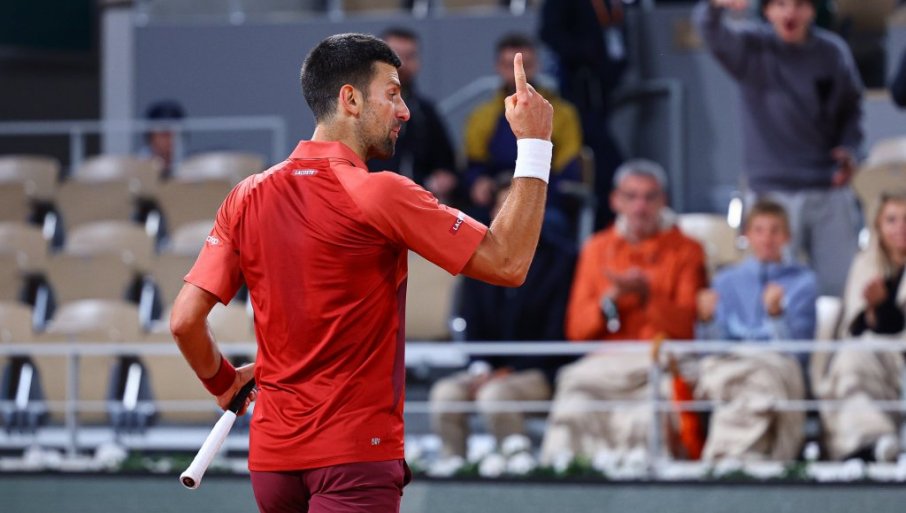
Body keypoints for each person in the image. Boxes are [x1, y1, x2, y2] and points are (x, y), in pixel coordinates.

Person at [169, 33, 554, 513]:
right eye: (392, 94)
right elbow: (508, 261)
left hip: (272, 464)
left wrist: (223, 382)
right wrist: (535, 144)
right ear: (349, 99)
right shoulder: (381, 193)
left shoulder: (246, 195)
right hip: (354, 459)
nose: (404, 111)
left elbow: (184, 321)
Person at [539, 159, 707, 463]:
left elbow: (685, 328)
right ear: (615, 200)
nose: (640, 207)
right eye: (631, 197)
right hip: (604, 367)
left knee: (648, 419)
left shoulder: (687, 250)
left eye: (649, 197)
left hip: (658, 364)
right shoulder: (595, 248)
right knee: (572, 408)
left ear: (663, 201)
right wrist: (611, 300)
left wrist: (647, 295)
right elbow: (577, 332)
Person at [694, 0, 864, 297]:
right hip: (771, 190)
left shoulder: (831, 52)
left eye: (799, 4)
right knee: (772, 289)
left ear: (813, 10)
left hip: (827, 185)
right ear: (767, 10)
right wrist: (716, 5)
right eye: (781, 4)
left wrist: (850, 149)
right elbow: (710, 30)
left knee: (840, 287)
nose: (790, 13)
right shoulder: (752, 46)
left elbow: (852, 109)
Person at [429, 178, 578, 460]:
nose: (511, 214)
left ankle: (515, 467)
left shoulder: (562, 261)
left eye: (520, 207)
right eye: (504, 206)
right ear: (493, 211)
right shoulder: (477, 257)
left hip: (539, 371)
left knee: (495, 395)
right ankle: (453, 466)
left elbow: (558, 332)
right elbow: (471, 323)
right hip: (489, 371)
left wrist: (507, 371)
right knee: (445, 394)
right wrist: (481, 368)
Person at [695, 200, 816, 461]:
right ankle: (746, 459)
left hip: (776, 364)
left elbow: (799, 354)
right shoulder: (724, 281)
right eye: (759, 230)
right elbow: (712, 348)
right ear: (747, 235)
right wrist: (706, 321)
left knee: (759, 384)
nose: (767, 239)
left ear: (787, 237)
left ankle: (729, 458)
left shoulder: (803, 282)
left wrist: (777, 316)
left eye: (775, 230)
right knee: (749, 385)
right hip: (732, 364)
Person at [812, 191, 906, 462]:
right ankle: (872, 442)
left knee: (854, 358)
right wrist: (874, 309)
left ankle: (870, 444)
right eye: (891, 220)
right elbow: (855, 327)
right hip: (870, 354)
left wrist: (883, 306)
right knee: (851, 362)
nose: (900, 227)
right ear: (878, 226)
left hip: (899, 357)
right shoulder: (864, 264)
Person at [463, 33, 583, 227]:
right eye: (509, 66)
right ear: (497, 67)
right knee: (465, 225)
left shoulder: (562, 113)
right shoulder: (481, 115)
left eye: (524, 65)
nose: (517, 73)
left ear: (537, 65)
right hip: (493, 198)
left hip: (544, 197)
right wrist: (479, 181)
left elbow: (567, 169)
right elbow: (474, 164)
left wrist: (527, 195)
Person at [539, 0, 629, 228]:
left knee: (604, 160)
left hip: (603, 90)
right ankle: (605, 225)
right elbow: (549, 32)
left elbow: (617, 36)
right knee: (603, 161)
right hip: (577, 89)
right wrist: (585, 54)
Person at [368, 27, 460, 204]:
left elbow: (447, 165)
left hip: (417, 204)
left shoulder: (426, 112)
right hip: (370, 203)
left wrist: (444, 178)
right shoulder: (359, 111)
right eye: (394, 56)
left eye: (410, 56)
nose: (402, 64)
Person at [141, 99, 186, 179]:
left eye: (176, 134)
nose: (171, 140)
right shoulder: (139, 165)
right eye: (165, 134)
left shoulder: (188, 167)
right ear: (150, 137)